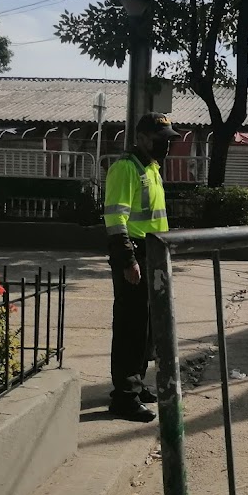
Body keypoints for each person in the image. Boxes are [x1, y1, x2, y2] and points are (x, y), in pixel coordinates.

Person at [103, 113, 178, 422]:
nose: (167, 146)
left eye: (169, 140)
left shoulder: (152, 168)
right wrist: (128, 260)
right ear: (143, 138)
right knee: (131, 328)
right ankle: (124, 396)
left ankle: (138, 383)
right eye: (162, 140)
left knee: (148, 327)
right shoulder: (126, 169)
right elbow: (115, 218)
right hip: (135, 254)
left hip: (154, 253)